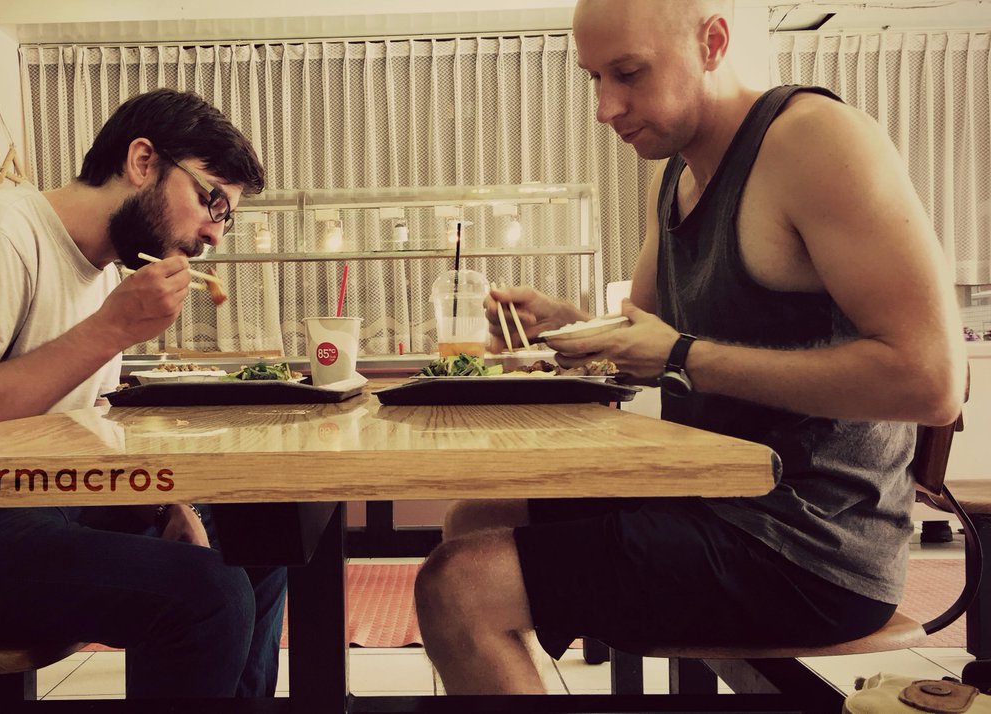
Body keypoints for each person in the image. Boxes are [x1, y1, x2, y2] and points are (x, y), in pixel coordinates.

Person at [413, 0, 967, 695]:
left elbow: (932, 380)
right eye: (594, 78)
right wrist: (563, 326)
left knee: (458, 587)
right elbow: (640, 340)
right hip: (707, 500)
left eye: (629, 73)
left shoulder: (816, 141)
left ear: (712, 43)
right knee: (471, 521)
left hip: (811, 544)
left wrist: (678, 355)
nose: (606, 107)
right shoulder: (674, 175)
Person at [0, 88, 286, 699]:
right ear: (143, 161)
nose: (215, 234)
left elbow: (80, 432)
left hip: (18, 507)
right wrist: (112, 329)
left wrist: (168, 506)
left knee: (262, 540)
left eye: (226, 216)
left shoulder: (100, 275)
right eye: (211, 200)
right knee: (208, 596)